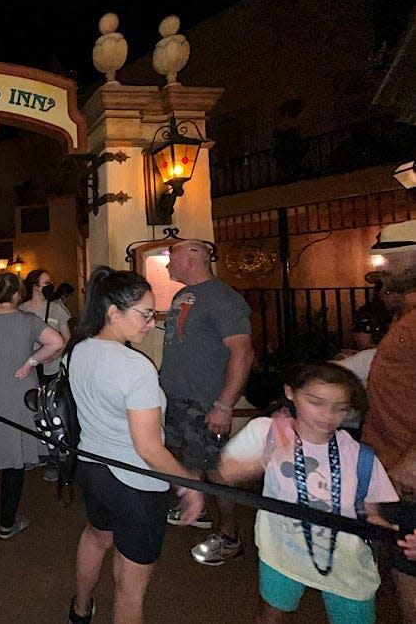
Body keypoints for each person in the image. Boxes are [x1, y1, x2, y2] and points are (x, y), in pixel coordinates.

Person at [216, 362, 412, 624]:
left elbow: (369, 515)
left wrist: (398, 537)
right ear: (290, 393)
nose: (327, 415)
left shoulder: (360, 458)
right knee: (272, 615)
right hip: (282, 554)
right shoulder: (268, 433)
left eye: (339, 407)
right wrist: (269, 454)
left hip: (346, 564)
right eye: (315, 402)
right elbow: (224, 473)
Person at [67, 267, 204, 624]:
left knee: (96, 536)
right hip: (134, 484)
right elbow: (149, 449)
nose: (150, 323)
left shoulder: (79, 350)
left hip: (93, 468)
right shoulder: (135, 367)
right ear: (113, 312)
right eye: (145, 314)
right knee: (131, 588)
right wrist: (188, 485)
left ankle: (80, 611)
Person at [159, 238, 254, 565]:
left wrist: (224, 405)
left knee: (216, 470)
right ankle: (193, 509)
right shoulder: (181, 295)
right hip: (177, 399)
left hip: (205, 402)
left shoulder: (224, 299)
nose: (168, 263)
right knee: (183, 459)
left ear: (193, 258)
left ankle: (230, 536)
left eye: (173, 256)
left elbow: (242, 353)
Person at [0, 272, 63, 540]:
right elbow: (57, 342)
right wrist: (32, 362)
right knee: (14, 456)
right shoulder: (27, 321)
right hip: (18, 396)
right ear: (18, 294)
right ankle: (6, 523)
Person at [361, 219, 416, 621]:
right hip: (392, 459)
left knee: (408, 570)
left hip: (408, 467)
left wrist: (412, 462)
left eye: (391, 260)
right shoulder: (407, 315)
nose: (383, 269)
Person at [20, 268, 73, 482]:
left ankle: (54, 458)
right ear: (34, 286)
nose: (50, 285)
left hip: (51, 369)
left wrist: (55, 353)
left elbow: (67, 336)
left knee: (52, 414)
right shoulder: (22, 310)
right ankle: (35, 452)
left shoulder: (58, 308)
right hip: (31, 369)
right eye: (45, 282)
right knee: (31, 411)